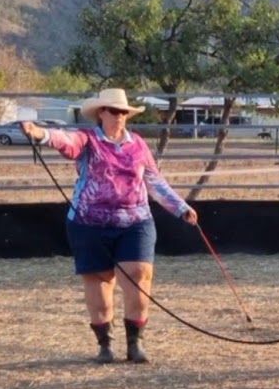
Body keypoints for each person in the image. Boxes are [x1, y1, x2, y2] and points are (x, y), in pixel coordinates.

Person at [20, 88, 198, 365]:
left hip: (135, 220)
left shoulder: (138, 144)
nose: (119, 116)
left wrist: (180, 207)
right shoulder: (88, 141)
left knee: (139, 273)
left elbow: (154, 180)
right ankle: (105, 343)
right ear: (101, 113)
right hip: (89, 222)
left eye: (124, 112)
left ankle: (135, 342)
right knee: (99, 280)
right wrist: (40, 133)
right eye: (114, 111)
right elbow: (65, 141)